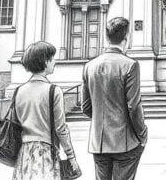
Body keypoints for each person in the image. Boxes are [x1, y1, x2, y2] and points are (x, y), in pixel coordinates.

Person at [82, 17, 148, 180]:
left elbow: (86, 107)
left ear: (107, 37)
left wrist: (101, 122)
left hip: (99, 143)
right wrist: (142, 134)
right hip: (125, 142)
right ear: (127, 37)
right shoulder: (130, 65)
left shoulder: (89, 66)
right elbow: (133, 107)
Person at [12, 41, 81, 180]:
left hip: (24, 154)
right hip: (45, 153)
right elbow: (60, 128)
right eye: (52, 58)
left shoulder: (19, 91)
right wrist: (71, 156)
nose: (55, 62)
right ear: (45, 61)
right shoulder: (54, 91)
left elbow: (15, 124)